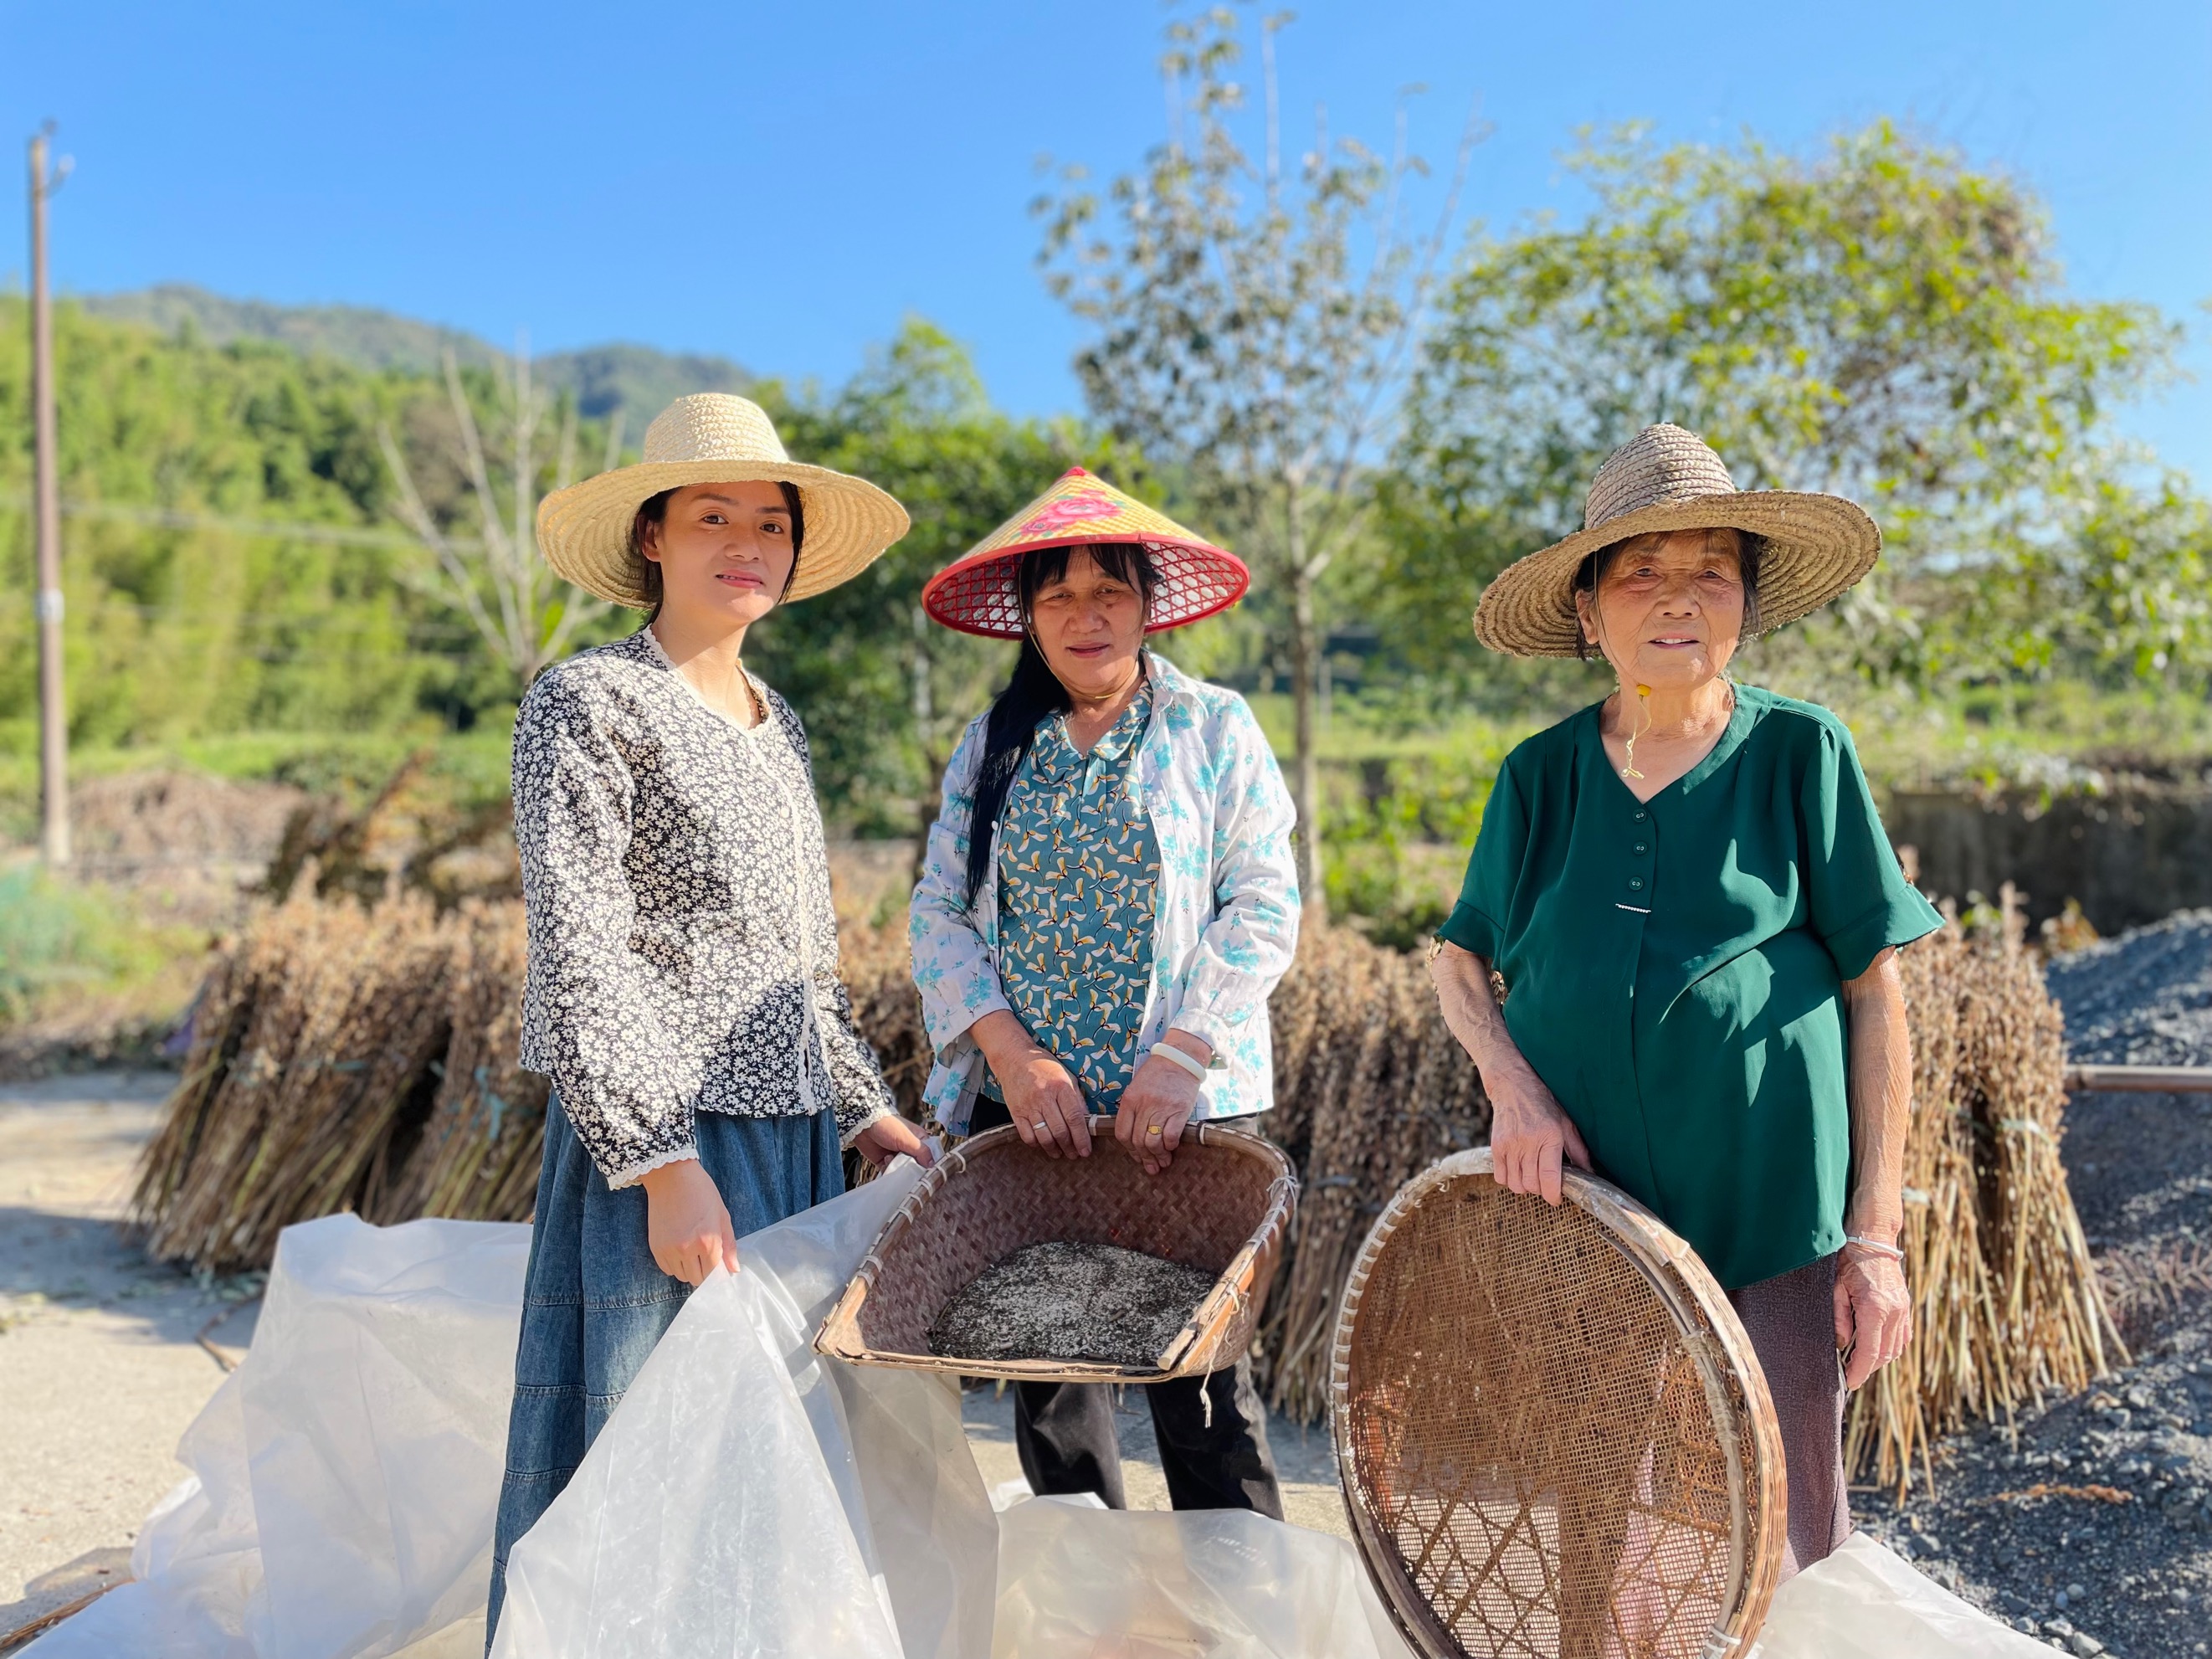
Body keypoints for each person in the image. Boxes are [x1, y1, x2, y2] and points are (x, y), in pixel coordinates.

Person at [1429, 424, 1938, 1577]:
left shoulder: (1800, 755)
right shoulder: (1539, 777)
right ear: (1587, 611)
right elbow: (1457, 964)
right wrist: (1510, 1088)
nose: (1678, 598)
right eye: (1639, 572)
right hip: (1586, 1216)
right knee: (1594, 1504)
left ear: (1745, 602)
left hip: (1776, 1218)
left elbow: (1875, 991)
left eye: (1710, 567)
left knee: (1788, 1509)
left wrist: (1873, 1239)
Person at [489, 393, 934, 1640]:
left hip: (792, 1146)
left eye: (769, 522)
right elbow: (581, 955)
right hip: (672, 1149)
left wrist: (865, 1109)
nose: (746, 542)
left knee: (763, 1472)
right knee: (643, 1459)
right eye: (712, 516)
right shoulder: (584, 703)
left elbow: (801, 960)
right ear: (651, 538)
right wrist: (660, 1161)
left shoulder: (777, 722)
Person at [909, 467, 1299, 1513]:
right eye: (1059, 596)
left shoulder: (1215, 727)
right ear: (1027, 619)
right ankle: (1092, 1611)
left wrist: (1178, 1058)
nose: (1086, 615)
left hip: (1182, 1112)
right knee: (1052, 1388)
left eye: (1109, 590)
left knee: (1203, 1384)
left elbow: (1263, 902)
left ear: (1145, 602)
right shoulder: (994, 746)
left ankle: (1232, 1618)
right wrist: (1012, 1056)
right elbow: (936, 911)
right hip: (1036, 1121)